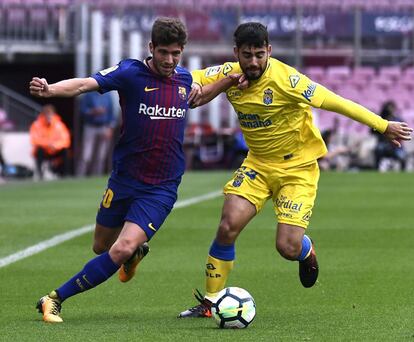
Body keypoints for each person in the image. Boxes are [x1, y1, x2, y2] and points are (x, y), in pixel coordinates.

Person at [178, 22, 413, 318]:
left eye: (259, 55)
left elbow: (336, 102)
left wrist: (383, 125)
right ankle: (210, 303)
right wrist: (197, 85)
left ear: (269, 51)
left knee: (286, 247)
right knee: (227, 226)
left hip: (297, 168)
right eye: (247, 55)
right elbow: (190, 77)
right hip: (258, 164)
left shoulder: (288, 80)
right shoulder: (228, 73)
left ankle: (305, 249)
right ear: (236, 52)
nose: (253, 62)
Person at [29, 17, 193, 323]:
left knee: (119, 248)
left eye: (176, 53)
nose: (170, 60)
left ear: (182, 52)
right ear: (151, 48)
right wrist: (50, 90)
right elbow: (84, 84)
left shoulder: (185, 80)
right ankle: (133, 254)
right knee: (101, 246)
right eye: (163, 53)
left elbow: (202, 91)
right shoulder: (130, 72)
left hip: (161, 187)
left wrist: (229, 82)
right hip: (124, 178)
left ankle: (53, 299)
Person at [77, 91, 116, 176]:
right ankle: (80, 176)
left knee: (101, 155)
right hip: (90, 126)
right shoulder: (88, 94)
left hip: (104, 126)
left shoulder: (108, 94)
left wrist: (110, 128)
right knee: (86, 154)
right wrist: (92, 112)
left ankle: (96, 176)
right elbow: (82, 110)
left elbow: (112, 113)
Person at [29, 104, 71, 179]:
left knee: (65, 151)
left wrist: (55, 145)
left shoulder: (59, 125)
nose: (49, 116)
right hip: (44, 151)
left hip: (55, 150)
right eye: (46, 114)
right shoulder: (36, 125)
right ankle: (40, 174)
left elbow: (66, 140)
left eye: (50, 114)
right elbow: (34, 140)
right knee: (39, 150)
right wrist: (48, 144)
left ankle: (65, 174)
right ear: (43, 115)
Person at [373, 101, 407, 171]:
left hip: (395, 145)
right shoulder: (380, 119)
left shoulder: (398, 120)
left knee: (402, 155)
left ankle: (403, 172)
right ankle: (377, 168)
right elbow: (372, 131)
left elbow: (404, 132)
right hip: (383, 144)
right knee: (378, 149)